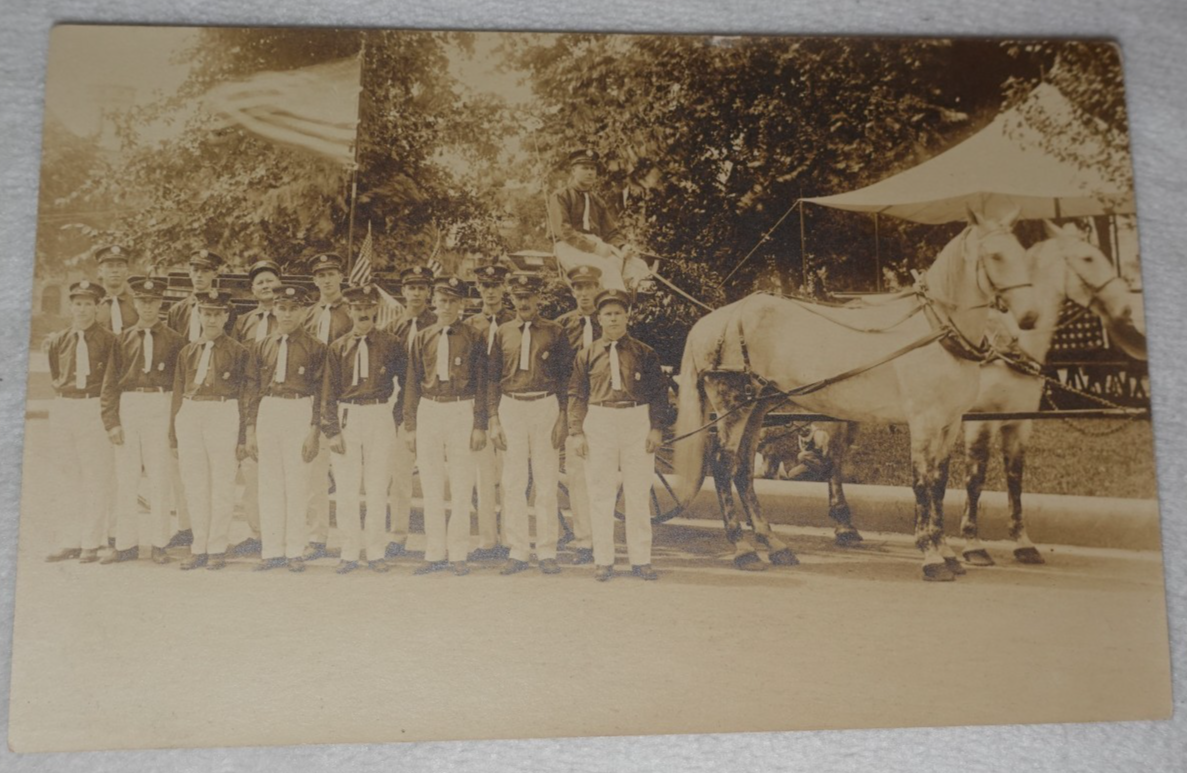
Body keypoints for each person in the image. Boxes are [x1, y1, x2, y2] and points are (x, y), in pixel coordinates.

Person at [568, 289, 666, 582]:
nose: (613, 318)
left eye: (618, 313)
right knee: (600, 492)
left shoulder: (644, 353)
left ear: (627, 316)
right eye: (607, 314)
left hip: (636, 417)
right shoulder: (586, 355)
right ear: (598, 318)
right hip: (600, 419)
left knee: (637, 493)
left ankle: (641, 559)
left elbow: (660, 393)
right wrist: (576, 432)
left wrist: (656, 428)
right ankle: (604, 560)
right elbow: (576, 394)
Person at [487, 273, 573, 576]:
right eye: (518, 296)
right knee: (512, 481)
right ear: (511, 298)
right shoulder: (502, 332)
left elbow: (566, 378)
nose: (523, 302)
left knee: (546, 481)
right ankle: (518, 551)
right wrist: (494, 418)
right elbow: (492, 378)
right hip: (511, 407)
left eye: (529, 296)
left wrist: (563, 416)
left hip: (545, 406)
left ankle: (547, 550)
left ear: (539, 299)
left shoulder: (555, 331)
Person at [403, 274, 487, 576]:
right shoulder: (423, 336)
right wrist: (410, 424)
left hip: (460, 408)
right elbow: (412, 382)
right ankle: (434, 551)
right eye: (442, 301)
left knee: (462, 483)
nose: (447, 306)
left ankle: (458, 552)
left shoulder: (474, 337)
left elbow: (481, 382)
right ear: (434, 303)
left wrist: (480, 424)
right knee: (431, 482)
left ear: (461, 304)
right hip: (430, 409)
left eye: (453, 301)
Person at [99, 278, 185, 565]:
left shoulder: (174, 340)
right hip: (130, 404)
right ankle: (125, 544)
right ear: (135, 303)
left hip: (160, 403)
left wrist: (174, 423)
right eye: (143, 301)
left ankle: (159, 543)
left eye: (153, 301)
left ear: (161, 303)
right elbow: (110, 383)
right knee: (126, 478)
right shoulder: (122, 338)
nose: (148, 307)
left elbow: (179, 385)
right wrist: (112, 421)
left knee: (160, 477)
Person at [322, 284, 405, 574]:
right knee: (346, 488)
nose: (362, 313)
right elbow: (328, 392)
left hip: (379, 414)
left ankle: (376, 552)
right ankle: (348, 552)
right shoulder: (338, 346)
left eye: (368, 308)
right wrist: (331, 430)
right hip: (348, 417)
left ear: (375, 310)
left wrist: (393, 416)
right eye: (356, 308)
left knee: (377, 486)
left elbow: (406, 384)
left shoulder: (391, 343)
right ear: (349, 311)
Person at [246, 285, 326, 573]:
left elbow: (321, 392)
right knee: (269, 485)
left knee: (297, 484)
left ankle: (295, 549)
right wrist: (251, 429)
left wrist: (314, 429)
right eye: (282, 308)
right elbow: (253, 388)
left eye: (294, 308)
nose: (287, 314)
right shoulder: (262, 345)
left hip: (298, 409)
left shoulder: (316, 347)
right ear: (275, 310)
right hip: (269, 409)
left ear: (303, 311)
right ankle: (272, 551)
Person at [169, 289, 250, 571]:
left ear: (226, 316)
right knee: (194, 483)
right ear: (199, 315)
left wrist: (242, 436)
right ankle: (198, 546)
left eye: (218, 313)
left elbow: (244, 395)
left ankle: (217, 547)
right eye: (207, 313)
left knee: (222, 483)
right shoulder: (187, 351)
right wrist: (173, 435)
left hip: (223, 411)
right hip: (191, 412)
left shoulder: (239, 352)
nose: (212, 319)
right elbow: (178, 393)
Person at [164, 248, 236, 550]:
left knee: (220, 476)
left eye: (205, 271)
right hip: (189, 392)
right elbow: (174, 355)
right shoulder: (178, 310)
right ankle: (189, 528)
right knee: (188, 475)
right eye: (195, 270)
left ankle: (216, 541)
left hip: (219, 394)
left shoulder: (225, 312)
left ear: (214, 275)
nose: (199, 275)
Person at [44, 281, 118, 564]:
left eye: (89, 304)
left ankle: (91, 540)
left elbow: (112, 381)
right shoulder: (58, 339)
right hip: (64, 405)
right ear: (70, 306)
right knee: (67, 474)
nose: (83, 309)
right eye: (78, 303)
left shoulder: (109, 340)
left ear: (98, 308)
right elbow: (55, 371)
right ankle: (69, 539)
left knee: (96, 475)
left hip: (93, 405)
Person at [229, 259, 284, 557]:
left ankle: (286, 531)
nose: (266, 286)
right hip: (251, 396)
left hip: (281, 395)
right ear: (252, 289)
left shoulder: (289, 317)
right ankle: (257, 532)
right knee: (252, 468)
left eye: (270, 280)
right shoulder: (244, 322)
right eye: (260, 282)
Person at [300, 253, 353, 562]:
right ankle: (316, 536)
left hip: (343, 397)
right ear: (315, 280)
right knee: (314, 471)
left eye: (332, 273)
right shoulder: (307, 314)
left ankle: (349, 540)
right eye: (321, 274)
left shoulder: (352, 312)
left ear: (340, 276)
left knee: (346, 473)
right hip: (310, 396)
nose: (327, 279)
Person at [552, 264, 605, 565]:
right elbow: (557, 371)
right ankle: (585, 540)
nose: (585, 293)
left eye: (590, 287)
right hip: (575, 407)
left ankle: (604, 538)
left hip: (605, 406)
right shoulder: (561, 327)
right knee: (577, 475)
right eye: (579, 288)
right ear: (572, 292)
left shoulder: (610, 321)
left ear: (597, 289)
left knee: (604, 475)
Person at [384, 265, 436, 559]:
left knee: (431, 474)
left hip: (431, 405)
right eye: (411, 287)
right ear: (403, 291)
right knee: (400, 474)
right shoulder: (393, 328)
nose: (416, 293)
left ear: (429, 292)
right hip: (400, 406)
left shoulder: (439, 323)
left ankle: (434, 538)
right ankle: (398, 535)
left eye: (422, 287)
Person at [464, 263, 515, 560]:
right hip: (477, 406)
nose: (491, 291)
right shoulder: (470, 326)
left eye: (496, 285)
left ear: (504, 287)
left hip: (507, 403)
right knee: (483, 476)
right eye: (485, 285)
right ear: (479, 288)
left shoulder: (514, 323)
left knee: (510, 475)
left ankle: (511, 539)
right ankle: (487, 541)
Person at [547, 148, 651, 293]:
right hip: (569, 247)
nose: (590, 172)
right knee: (607, 270)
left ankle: (638, 311)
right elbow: (564, 231)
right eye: (584, 168)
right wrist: (593, 247)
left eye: (593, 169)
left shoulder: (596, 200)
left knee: (639, 267)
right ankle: (613, 310)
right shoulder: (561, 196)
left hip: (596, 246)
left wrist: (622, 246)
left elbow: (610, 231)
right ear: (573, 171)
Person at [94, 245, 138, 335]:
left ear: (127, 271)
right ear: (100, 272)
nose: (115, 270)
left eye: (120, 266)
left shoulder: (137, 303)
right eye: (109, 266)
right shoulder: (92, 305)